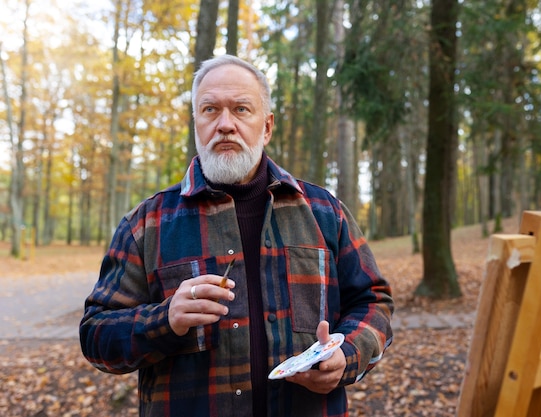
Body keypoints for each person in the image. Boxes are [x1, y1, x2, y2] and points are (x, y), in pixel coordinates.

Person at [79, 54, 394, 417]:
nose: (225, 124)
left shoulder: (325, 212)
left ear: (267, 126)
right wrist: (165, 320)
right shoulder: (147, 224)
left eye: (241, 109)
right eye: (210, 110)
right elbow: (96, 335)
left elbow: (374, 301)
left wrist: (347, 355)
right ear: (196, 123)